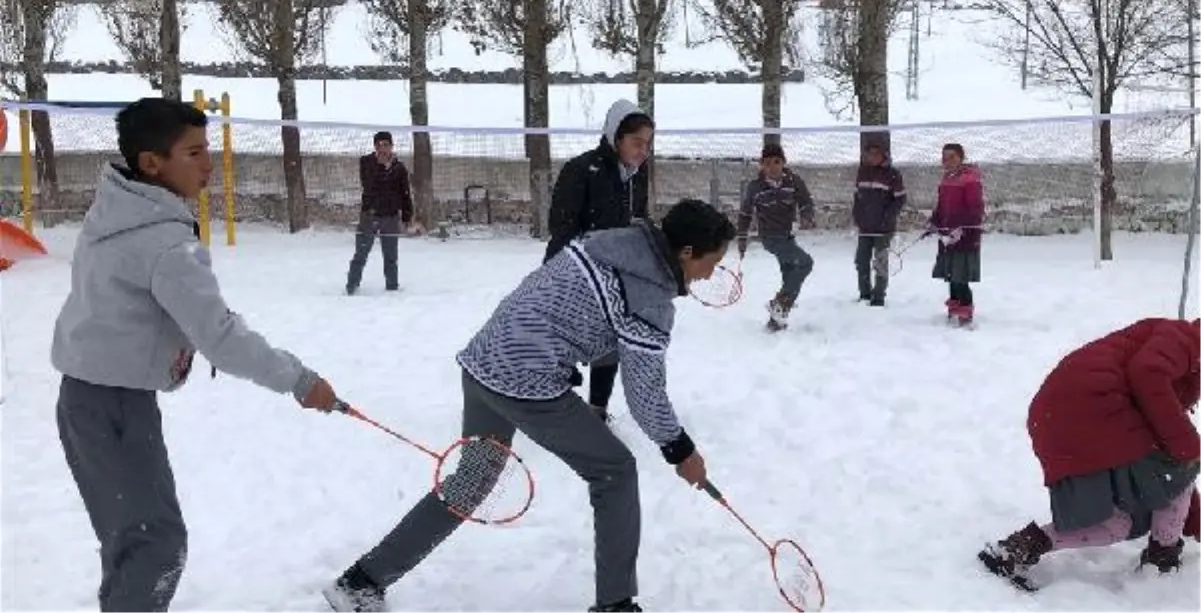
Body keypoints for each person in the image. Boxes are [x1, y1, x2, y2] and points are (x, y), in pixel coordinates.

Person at [323, 199, 736, 613]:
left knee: (472, 481)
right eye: (712, 262)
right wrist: (681, 450)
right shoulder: (650, 299)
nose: (710, 274)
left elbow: (563, 301)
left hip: (485, 360)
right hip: (524, 381)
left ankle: (361, 581)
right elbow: (645, 396)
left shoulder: (606, 243)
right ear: (685, 253)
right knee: (616, 471)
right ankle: (616, 605)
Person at [50, 97, 340, 613]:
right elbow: (221, 338)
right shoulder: (165, 243)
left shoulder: (117, 206)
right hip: (112, 406)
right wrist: (299, 380)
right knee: (155, 547)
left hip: (89, 398)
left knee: (132, 544)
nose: (208, 165)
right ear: (151, 163)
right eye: (194, 152)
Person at [979, 317, 1201, 590]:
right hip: (1092, 407)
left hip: (1058, 418)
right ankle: (1162, 562)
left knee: (1120, 523)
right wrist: (1189, 449)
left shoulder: (1186, 367)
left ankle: (1019, 547)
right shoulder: (1187, 337)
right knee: (1181, 462)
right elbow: (1148, 370)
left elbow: (1170, 473)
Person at [543, 98, 653, 422]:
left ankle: (597, 411)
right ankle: (549, 402)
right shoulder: (581, 169)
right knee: (561, 342)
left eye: (647, 144)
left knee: (609, 341)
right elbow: (561, 225)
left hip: (613, 275)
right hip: (571, 270)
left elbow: (638, 219)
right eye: (636, 142)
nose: (642, 150)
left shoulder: (638, 174)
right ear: (616, 136)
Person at [735, 143, 816, 331]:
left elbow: (805, 201)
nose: (773, 167)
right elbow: (745, 214)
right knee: (805, 263)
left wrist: (806, 216)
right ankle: (778, 304)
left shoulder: (794, 182)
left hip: (787, 236)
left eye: (777, 162)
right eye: (768, 163)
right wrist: (742, 238)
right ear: (762, 165)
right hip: (770, 239)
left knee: (790, 276)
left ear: (784, 163)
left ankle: (776, 320)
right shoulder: (756, 188)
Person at [346, 131, 414, 295]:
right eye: (379, 145)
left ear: (391, 146)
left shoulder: (399, 168)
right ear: (374, 147)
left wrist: (406, 216)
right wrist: (383, 167)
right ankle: (352, 286)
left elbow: (405, 193)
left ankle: (392, 287)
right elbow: (369, 185)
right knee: (361, 253)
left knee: (390, 256)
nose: (382, 149)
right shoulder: (367, 163)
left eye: (385, 145)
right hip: (370, 215)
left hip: (390, 216)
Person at [927, 143, 983, 326]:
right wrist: (933, 222)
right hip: (947, 235)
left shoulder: (970, 179)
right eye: (944, 157)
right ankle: (954, 309)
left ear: (961, 158)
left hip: (965, 236)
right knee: (951, 275)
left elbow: (976, 209)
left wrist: (962, 228)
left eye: (952, 157)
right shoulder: (945, 179)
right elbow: (941, 206)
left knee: (961, 277)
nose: (947, 161)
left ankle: (966, 313)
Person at [852, 142, 906, 306]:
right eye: (870, 153)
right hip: (865, 227)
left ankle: (879, 295)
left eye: (877, 153)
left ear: (884, 155)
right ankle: (864, 294)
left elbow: (900, 199)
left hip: (883, 229)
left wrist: (888, 217)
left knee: (880, 262)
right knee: (861, 261)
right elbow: (857, 197)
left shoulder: (893, 174)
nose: (873, 157)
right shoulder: (862, 172)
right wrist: (857, 215)